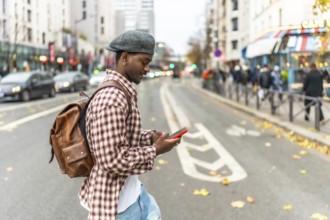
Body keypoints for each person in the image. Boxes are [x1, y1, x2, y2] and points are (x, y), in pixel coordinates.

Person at [78, 30, 181, 220]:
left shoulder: (122, 91)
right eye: (144, 62)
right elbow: (112, 159)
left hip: (135, 195)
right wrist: (155, 150)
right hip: (117, 208)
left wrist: (149, 137)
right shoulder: (112, 98)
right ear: (125, 57)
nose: (147, 68)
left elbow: (121, 137)